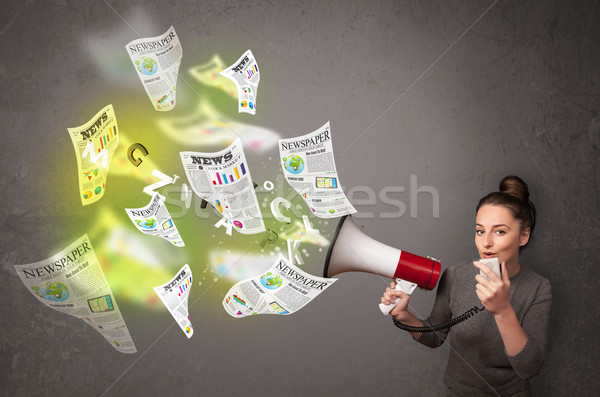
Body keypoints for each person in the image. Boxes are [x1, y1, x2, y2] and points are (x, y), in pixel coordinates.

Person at [381, 175, 552, 397]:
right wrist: (404, 315)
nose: (486, 242)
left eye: (500, 231)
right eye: (480, 231)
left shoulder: (538, 288)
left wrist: (503, 311)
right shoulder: (455, 276)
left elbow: (529, 368)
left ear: (523, 236)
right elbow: (435, 337)